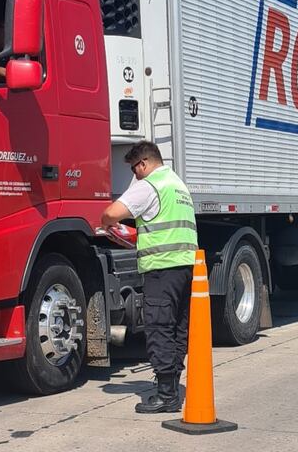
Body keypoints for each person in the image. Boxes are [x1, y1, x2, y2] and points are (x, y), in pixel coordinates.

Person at [101, 141, 198, 414]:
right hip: (184, 267)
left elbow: (111, 213)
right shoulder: (177, 184)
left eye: (135, 169)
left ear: (143, 164)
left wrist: (108, 224)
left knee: (158, 328)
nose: (135, 175)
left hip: (161, 268)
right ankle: (173, 387)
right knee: (178, 328)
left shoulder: (150, 184)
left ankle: (166, 395)